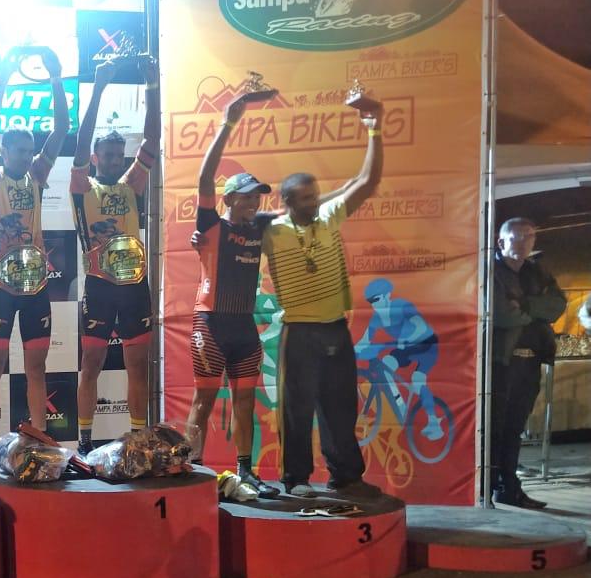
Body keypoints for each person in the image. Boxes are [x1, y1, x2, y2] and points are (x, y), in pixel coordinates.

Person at [262, 101, 385, 499]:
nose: (314, 203)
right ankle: (296, 479)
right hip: (298, 332)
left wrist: (374, 128)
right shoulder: (271, 231)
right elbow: (225, 227)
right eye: (306, 199)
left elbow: (368, 181)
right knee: (297, 411)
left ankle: (345, 476)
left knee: (341, 407)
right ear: (287, 201)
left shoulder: (330, 216)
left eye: (316, 196)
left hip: (335, 327)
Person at [0, 48, 70, 475]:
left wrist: (56, 78)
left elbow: (62, 128)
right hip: (0, 285)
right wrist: (1, 79)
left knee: (36, 367)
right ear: (4, 151)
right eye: (19, 150)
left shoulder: (36, 176)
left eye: (30, 150)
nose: (27, 156)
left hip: (35, 285)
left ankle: (37, 441)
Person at [183, 94, 280, 497]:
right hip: (210, 323)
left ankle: (245, 471)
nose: (255, 201)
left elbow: (299, 211)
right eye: (247, 195)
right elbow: (206, 178)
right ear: (229, 199)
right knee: (203, 401)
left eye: (258, 196)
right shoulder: (210, 225)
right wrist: (227, 124)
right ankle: (191, 472)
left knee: (245, 403)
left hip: (243, 326)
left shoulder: (260, 226)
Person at [70, 55, 160, 456]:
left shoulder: (132, 184)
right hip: (100, 286)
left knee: (137, 365)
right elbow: (79, 143)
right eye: (106, 154)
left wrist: (152, 86)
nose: (113, 159)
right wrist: (99, 87)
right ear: (94, 157)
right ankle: (85, 442)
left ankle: (138, 438)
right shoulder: (82, 186)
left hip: (134, 285)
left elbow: (152, 142)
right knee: (91, 364)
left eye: (117, 154)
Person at [489, 218, 566, 508]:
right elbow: (501, 315)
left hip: (530, 362)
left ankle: (509, 488)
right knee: (495, 428)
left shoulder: (538, 272)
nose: (524, 242)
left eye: (530, 236)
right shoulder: (491, 272)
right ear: (501, 241)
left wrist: (525, 305)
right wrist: (537, 310)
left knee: (514, 428)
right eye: (517, 236)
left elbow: (558, 305)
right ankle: (490, 487)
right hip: (501, 364)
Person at [356, 278, 443, 440]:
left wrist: (407, 338)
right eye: (371, 302)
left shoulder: (401, 306)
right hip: (405, 348)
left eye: (377, 299)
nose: (374, 305)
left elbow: (420, 326)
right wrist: (352, 351)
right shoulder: (376, 318)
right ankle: (400, 405)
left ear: (387, 295)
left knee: (417, 381)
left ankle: (433, 423)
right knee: (386, 365)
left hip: (426, 345)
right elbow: (365, 340)